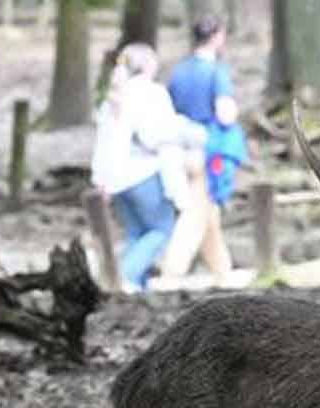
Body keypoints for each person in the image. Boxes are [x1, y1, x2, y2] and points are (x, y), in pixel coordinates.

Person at [91, 43, 206, 292]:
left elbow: (103, 144)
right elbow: (155, 136)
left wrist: (100, 178)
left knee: (136, 234)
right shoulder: (150, 93)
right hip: (143, 174)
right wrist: (188, 133)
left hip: (115, 180)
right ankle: (124, 278)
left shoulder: (112, 98)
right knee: (160, 230)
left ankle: (137, 288)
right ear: (146, 65)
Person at [166, 14, 246, 285]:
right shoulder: (216, 72)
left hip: (181, 149)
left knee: (208, 212)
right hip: (208, 151)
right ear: (216, 37)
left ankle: (222, 272)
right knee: (196, 212)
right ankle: (172, 272)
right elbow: (225, 114)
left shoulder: (179, 71)